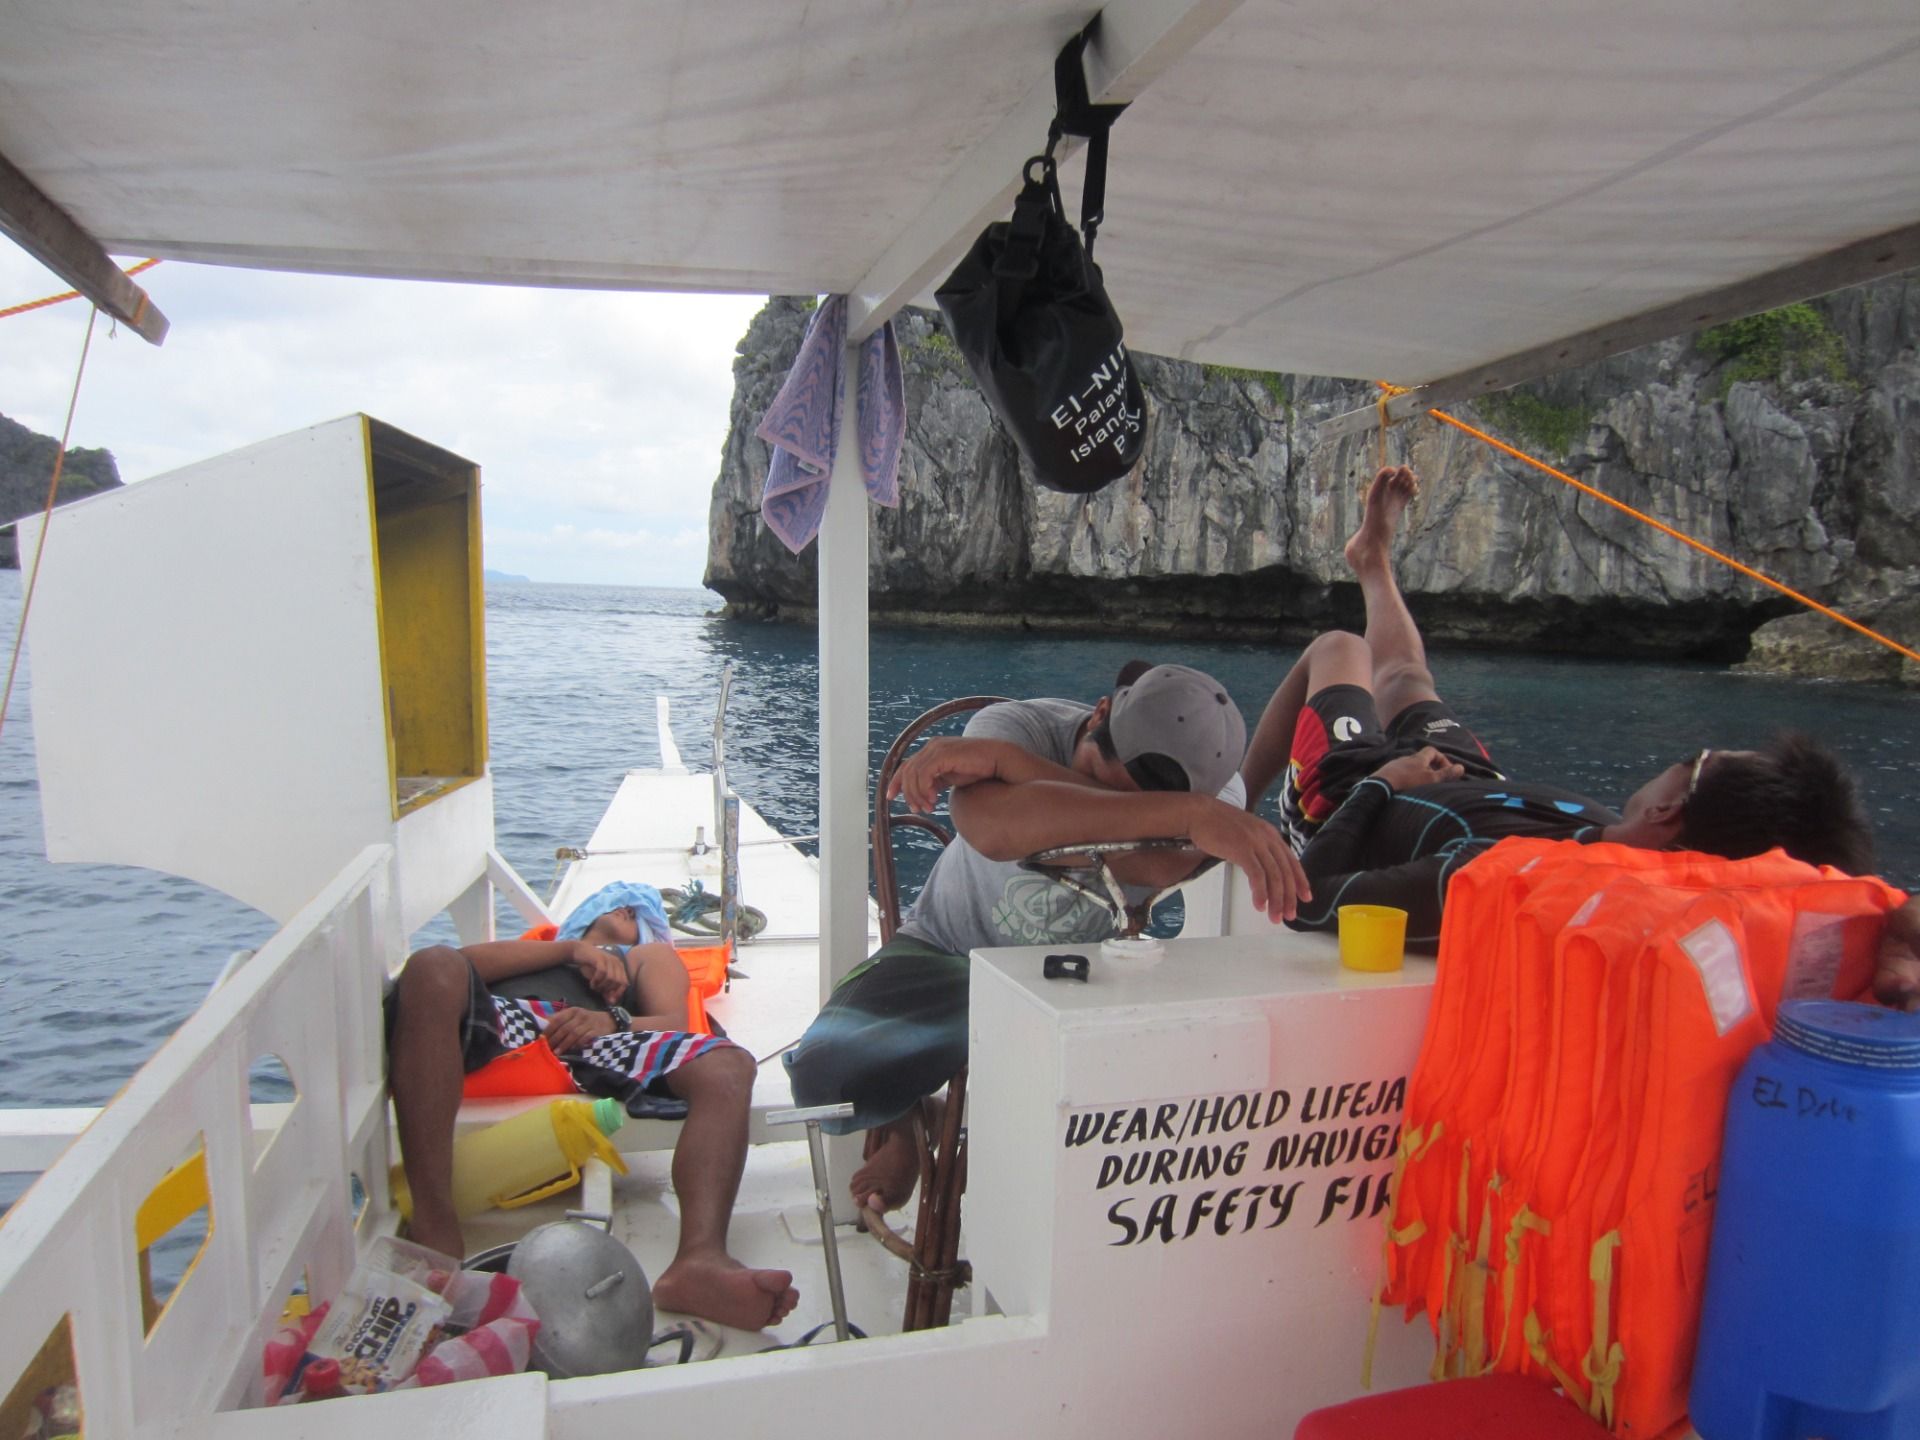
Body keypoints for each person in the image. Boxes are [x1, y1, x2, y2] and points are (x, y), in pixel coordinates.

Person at [1241, 464, 1895, 958]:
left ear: (1668, 811)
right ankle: (1372, 562)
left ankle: (1233, 801)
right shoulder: (1619, 840)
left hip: (1359, 796)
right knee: (1409, 677)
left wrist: (1388, 782)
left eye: (1694, 760)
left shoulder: (1487, 875)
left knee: (1340, 646)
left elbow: (1306, 899)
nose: (1679, 760)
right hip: (1464, 783)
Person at [785, 663, 1310, 1213]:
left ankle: (963, 1135)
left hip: (1086, 980)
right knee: (823, 1080)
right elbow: (990, 827)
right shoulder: (1018, 725)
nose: (1110, 800)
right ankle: (911, 1123)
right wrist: (1182, 818)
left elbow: (1160, 866)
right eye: (1102, 778)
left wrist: (1024, 783)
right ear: (1099, 715)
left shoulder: (1214, 792)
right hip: (949, 952)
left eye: (1180, 804)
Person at [386, 881, 800, 1331]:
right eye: (616, 905)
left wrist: (610, 1019)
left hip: (605, 1041)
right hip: (510, 1019)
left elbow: (673, 1023)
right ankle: (435, 1234)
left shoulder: (647, 956)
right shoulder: (542, 949)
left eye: (637, 913)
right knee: (431, 963)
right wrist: (570, 952)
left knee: (727, 1065)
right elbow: (442, 973)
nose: (626, 910)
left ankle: (700, 1262)